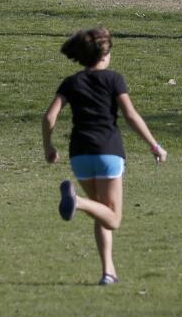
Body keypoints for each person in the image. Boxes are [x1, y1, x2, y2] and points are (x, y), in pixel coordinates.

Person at [42, 26, 166, 286]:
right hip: (107, 151)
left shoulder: (71, 82)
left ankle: (108, 272)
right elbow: (131, 116)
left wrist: (49, 147)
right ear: (104, 55)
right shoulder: (114, 79)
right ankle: (77, 203)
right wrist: (154, 145)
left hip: (79, 154)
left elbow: (49, 116)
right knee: (114, 218)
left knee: (102, 211)